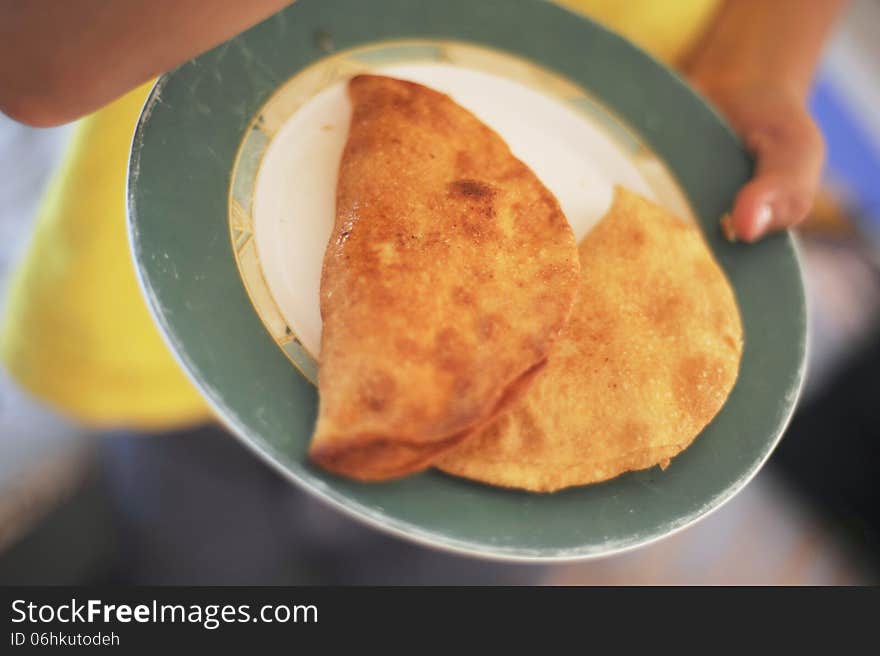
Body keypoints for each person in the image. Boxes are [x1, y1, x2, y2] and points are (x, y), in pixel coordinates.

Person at [0, 0, 847, 583]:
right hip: (191, 238)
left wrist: (761, 60)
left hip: (617, 162)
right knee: (201, 566)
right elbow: (36, 56)